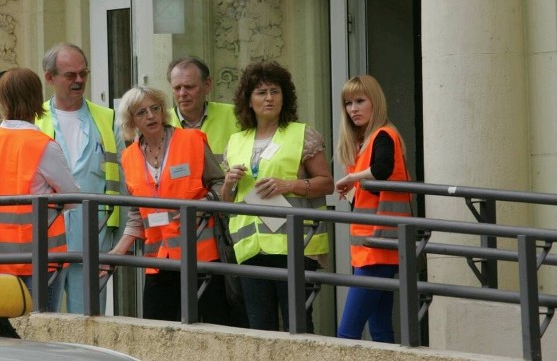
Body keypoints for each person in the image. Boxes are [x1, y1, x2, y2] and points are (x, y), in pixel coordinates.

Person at [220, 60, 334, 332]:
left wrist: (288, 185)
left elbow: (326, 183)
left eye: (275, 91)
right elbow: (227, 202)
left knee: (298, 325)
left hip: (294, 244)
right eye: (261, 92)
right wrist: (228, 183)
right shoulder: (236, 141)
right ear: (249, 100)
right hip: (250, 247)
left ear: (285, 97)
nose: (269, 98)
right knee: (260, 327)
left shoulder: (302, 134)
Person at [107, 86, 230, 324]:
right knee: (156, 329)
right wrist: (117, 251)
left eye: (155, 109)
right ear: (131, 120)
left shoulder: (191, 141)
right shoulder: (129, 156)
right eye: (141, 112)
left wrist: (199, 208)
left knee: (213, 329)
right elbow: (136, 212)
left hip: (200, 256)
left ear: (163, 111)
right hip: (158, 258)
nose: (150, 116)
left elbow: (219, 184)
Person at [35, 43, 123, 314]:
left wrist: (116, 248)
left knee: (89, 321)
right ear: (50, 78)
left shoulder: (106, 119)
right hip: (45, 236)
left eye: (83, 73)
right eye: (70, 75)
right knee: (42, 321)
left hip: (94, 238)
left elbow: (122, 182)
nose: (80, 81)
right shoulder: (33, 120)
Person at [0, 67, 80, 311]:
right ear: (37, 98)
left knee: (8, 332)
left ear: (3, 100)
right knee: (41, 333)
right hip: (42, 258)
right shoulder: (43, 145)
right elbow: (73, 197)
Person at [334, 74, 413, 343]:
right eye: (348, 103)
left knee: (347, 333)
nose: (353, 109)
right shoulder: (364, 143)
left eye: (359, 101)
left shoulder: (383, 136)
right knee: (380, 331)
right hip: (373, 249)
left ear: (375, 102)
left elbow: (381, 170)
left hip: (377, 250)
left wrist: (351, 179)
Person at [167, 56, 239, 162]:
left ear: (207, 85)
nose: (182, 94)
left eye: (189, 87)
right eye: (177, 88)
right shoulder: (160, 122)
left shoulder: (236, 116)